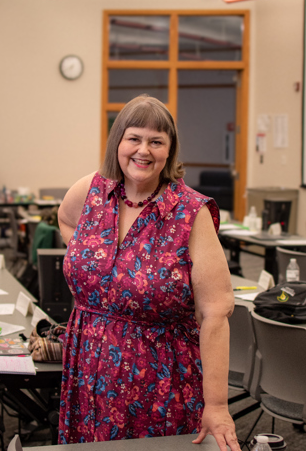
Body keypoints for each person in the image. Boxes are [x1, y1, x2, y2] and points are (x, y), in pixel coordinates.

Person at [57, 94, 240, 451]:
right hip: (87, 373)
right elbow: (65, 219)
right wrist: (95, 266)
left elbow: (215, 312)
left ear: (169, 152)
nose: (144, 150)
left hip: (158, 383)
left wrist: (217, 405)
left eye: (156, 142)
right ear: (118, 143)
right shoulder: (93, 190)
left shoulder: (189, 212)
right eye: (134, 138)